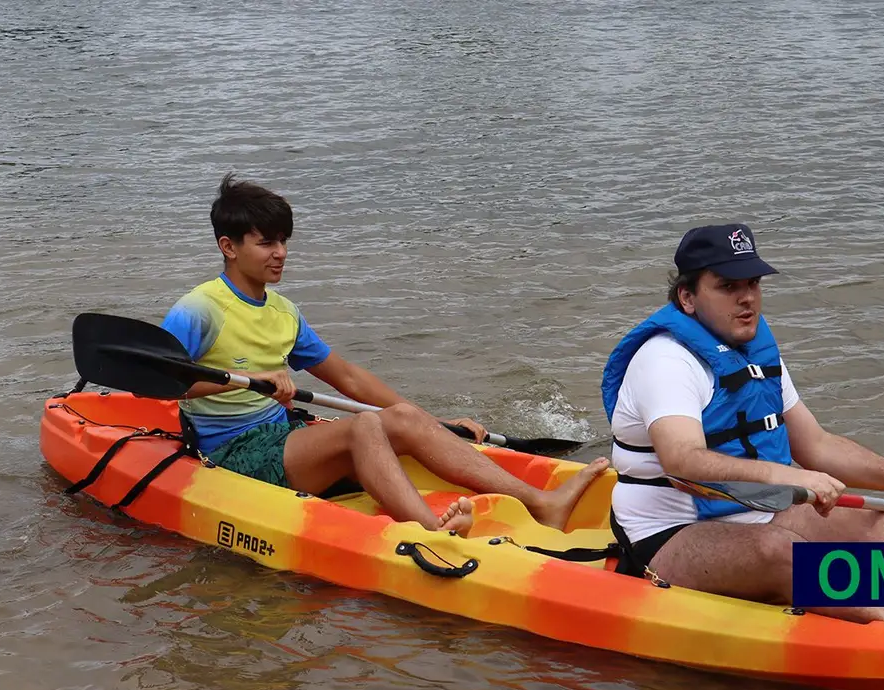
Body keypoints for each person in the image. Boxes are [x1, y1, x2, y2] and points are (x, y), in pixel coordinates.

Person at [599, 222, 884, 630]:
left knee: (876, 524)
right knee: (781, 550)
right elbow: (684, 460)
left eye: (754, 283)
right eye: (728, 286)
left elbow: (815, 445)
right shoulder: (666, 359)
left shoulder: (751, 348)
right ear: (687, 296)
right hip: (666, 537)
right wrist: (789, 476)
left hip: (754, 508)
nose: (747, 298)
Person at [160, 174, 609, 538]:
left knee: (404, 417)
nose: (280, 253)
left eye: (283, 241)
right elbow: (161, 378)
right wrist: (255, 375)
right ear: (228, 246)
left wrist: (436, 425)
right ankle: (431, 530)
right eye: (265, 243)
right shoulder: (200, 308)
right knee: (366, 426)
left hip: (284, 437)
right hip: (231, 455)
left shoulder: (283, 312)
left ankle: (543, 503)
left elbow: (350, 379)